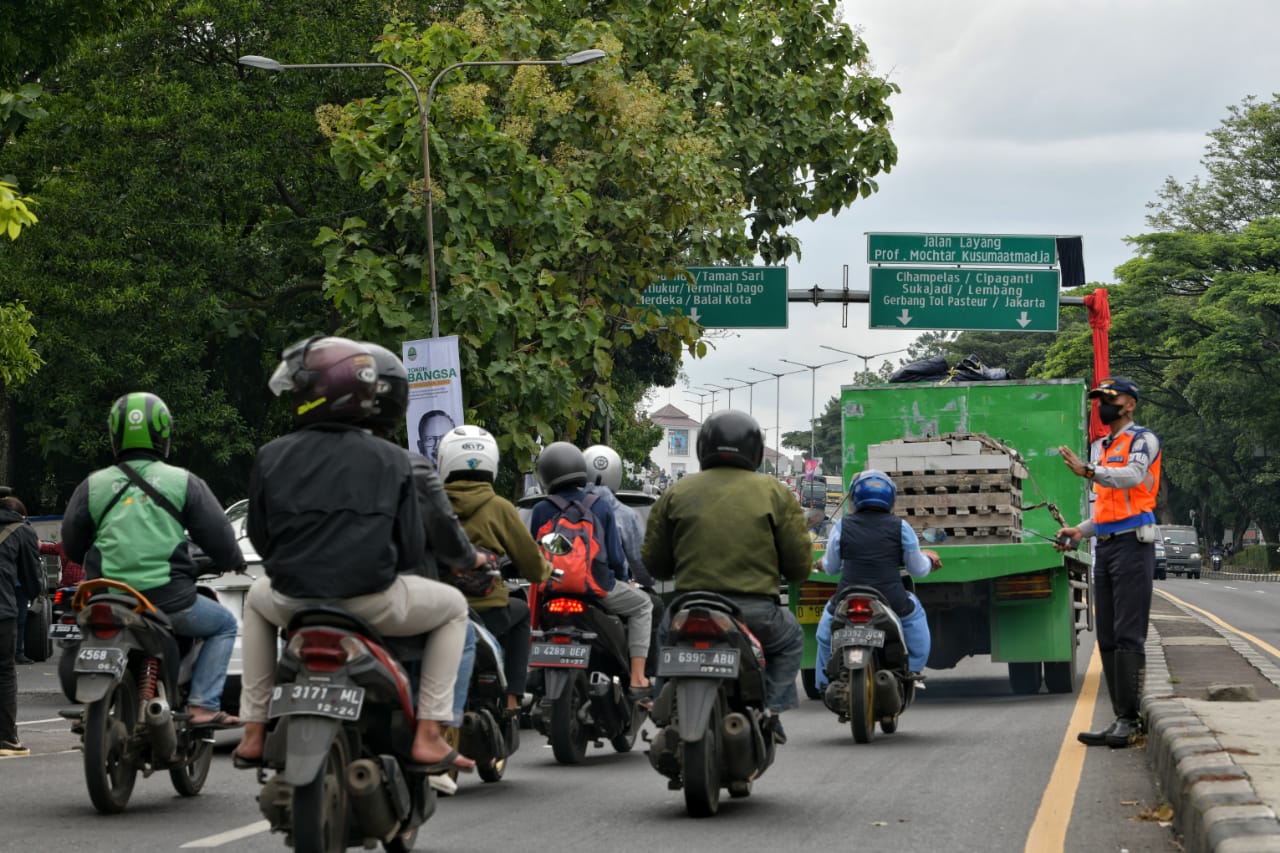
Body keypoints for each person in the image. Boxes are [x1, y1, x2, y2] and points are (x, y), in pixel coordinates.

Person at [233, 336, 476, 773]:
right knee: (455, 608)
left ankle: (253, 730)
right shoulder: (395, 459)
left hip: (293, 600)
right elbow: (406, 548)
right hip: (371, 600)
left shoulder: (271, 456)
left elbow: (261, 538)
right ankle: (430, 734)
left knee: (255, 599)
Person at [61, 393, 244, 728]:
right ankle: (203, 704)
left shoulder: (93, 485)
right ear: (165, 434)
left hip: (105, 595)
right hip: (167, 599)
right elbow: (219, 536)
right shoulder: (183, 482)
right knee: (224, 624)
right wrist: (233, 560)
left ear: (114, 435)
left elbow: (72, 544)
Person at [642, 410, 811, 742]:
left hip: (688, 608)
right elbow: (798, 565)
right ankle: (771, 710)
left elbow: (656, 564)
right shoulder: (775, 491)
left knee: (665, 643)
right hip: (755, 614)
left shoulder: (676, 492)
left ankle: (661, 706)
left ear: (702, 447)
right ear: (756, 451)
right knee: (791, 637)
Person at [1056, 376, 1161, 749]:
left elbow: (1132, 478)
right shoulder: (1104, 447)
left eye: (1110, 398)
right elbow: (1106, 508)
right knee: (1108, 637)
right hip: (1107, 545)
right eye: (1099, 398)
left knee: (1130, 634)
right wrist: (1080, 531)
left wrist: (1088, 470)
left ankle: (1130, 722)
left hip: (1134, 546)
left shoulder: (1142, 440)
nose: (1102, 404)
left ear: (1130, 403)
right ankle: (1120, 718)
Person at [437, 425, 552, 717]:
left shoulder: (430, 503)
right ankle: (513, 696)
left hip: (437, 608)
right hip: (488, 611)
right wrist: (546, 569)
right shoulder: (499, 507)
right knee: (522, 611)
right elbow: (533, 566)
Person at [528, 442, 653, 698]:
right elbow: (615, 557)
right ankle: (639, 677)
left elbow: (532, 553)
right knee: (643, 606)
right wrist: (621, 580)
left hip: (551, 589)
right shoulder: (600, 505)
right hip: (596, 589)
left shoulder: (541, 509)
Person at [812, 470, 941, 698]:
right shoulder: (901, 527)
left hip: (848, 596)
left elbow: (831, 567)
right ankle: (912, 671)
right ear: (890, 498)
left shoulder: (843, 526)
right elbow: (918, 570)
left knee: (825, 634)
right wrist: (929, 560)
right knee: (915, 618)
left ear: (855, 498)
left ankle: (823, 683)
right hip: (890, 597)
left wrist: (821, 564)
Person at [1, 494, 43, 755]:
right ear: (22, 516)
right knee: (4, 672)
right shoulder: (23, 530)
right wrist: (33, 594)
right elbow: (31, 576)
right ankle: (6, 739)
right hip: (2, 611)